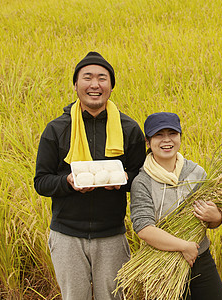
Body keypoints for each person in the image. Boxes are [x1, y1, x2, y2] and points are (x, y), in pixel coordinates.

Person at [34, 51, 146, 300]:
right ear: (76, 85)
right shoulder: (57, 129)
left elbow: (140, 176)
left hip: (112, 235)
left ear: (110, 86)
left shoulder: (129, 129)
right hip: (67, 236)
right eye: (87, 77)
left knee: (114, 297)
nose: (95, 84)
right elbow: (41, 181)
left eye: (102, 78)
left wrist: (122, 181)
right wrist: (67, 182)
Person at [130, 112, 222, 299]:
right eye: (159, 135)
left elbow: (210, 220)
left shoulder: (196, 173)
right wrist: (183, 246)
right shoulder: (142, 182)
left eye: (172, 133)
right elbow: (144, 228)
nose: (167, 140)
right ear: (148, 142)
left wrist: (216, 217)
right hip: (162, 262)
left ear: (180, 137)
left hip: (201, 258)